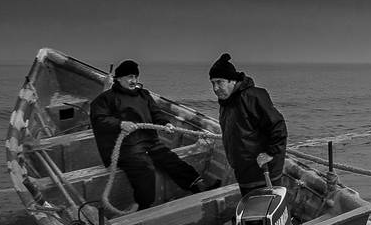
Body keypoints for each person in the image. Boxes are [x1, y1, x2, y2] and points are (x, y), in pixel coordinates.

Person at [90, 59, 211, 210]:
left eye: (135, 77)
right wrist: (120, 124)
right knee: (145, 169)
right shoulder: (106, 98)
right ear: (118, 78)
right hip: (126, 148)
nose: (134, 80)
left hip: (149, 141)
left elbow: (156, 112)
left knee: (171, 159)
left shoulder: (144, 94)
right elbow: (99, 119)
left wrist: (165, 123)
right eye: (129, 77)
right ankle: (145, 206)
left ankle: (198, 185)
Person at [208, 52, 288, 195]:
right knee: (250, 203)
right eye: (213, 83)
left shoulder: (253, 96)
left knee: (266, 204)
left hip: (264, 171)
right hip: (244, 172)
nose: (215, 88)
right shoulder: (226, 103)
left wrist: (270, 153)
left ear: (232, 81)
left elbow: (278, 126)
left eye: (219, 82)